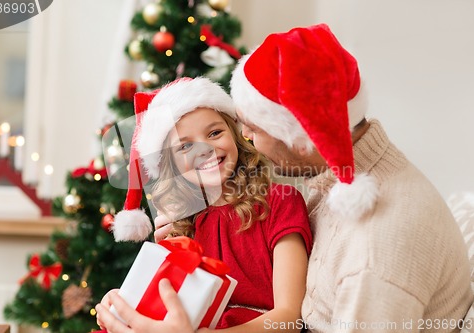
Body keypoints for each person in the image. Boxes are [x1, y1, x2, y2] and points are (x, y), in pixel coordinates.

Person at [155, 23, 474, 332]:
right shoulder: (336, 180)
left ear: (299, 138)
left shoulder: (373, 259)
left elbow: (287, 315)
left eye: (255, 128)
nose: (246, 137)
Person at [95, 77, 313, 333]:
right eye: (185, 145)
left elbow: (290, 317)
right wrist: (121, 302)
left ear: (235, 135)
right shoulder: (178, 223)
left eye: (214, 133)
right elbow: (168, 307)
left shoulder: (279, 202)